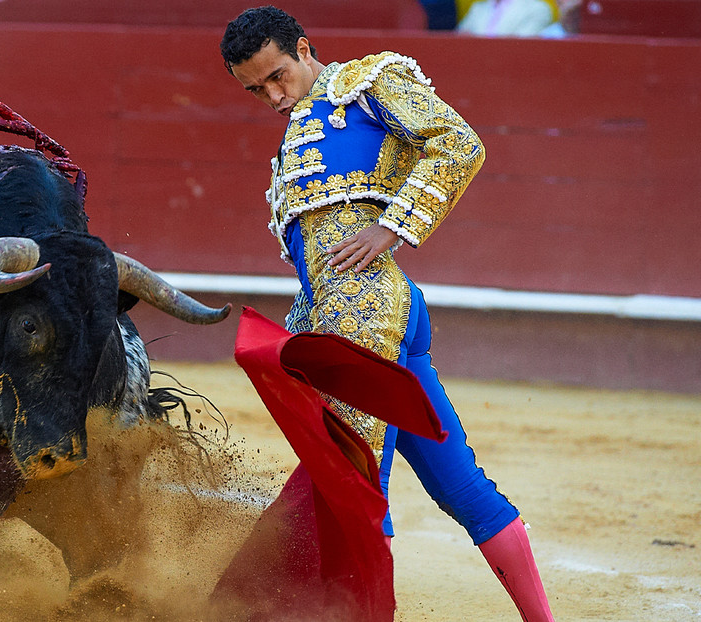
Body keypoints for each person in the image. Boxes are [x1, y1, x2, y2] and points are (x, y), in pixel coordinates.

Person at [219, 7, 554, 621]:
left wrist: (393, 226)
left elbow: (459, 143)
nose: (274, 96)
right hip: (353, 314)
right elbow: (316, 260)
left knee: (356, 485)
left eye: (278, 76)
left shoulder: (366, 83)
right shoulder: (296, 136)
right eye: (256, 90)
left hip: (368, 314)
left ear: (303, 48)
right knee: (459, 485)